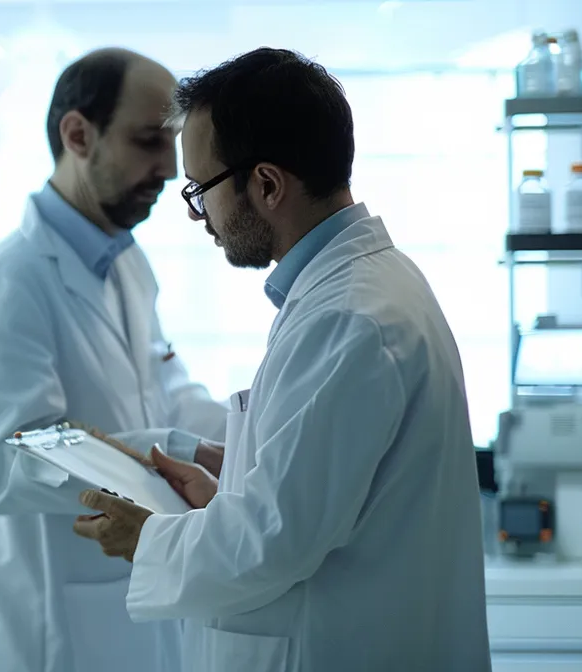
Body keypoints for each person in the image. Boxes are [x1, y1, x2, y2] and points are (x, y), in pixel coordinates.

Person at [72, 48, 490, 671]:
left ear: (266, 184)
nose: (198, 216)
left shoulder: (346, 318)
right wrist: (223, 498)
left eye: (200, 190)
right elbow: (314, 505)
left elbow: (273, 541)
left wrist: (148, 537)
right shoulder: (360, 292)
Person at [0, 48, 230, 672]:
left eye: (173, 144)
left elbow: (169, 389)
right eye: (149, 140)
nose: (169, 168)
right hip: (49, 627)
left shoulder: (128, 264)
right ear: (78, 134)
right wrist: (170, 448)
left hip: (131, 606)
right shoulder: (11, 280)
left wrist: (263, 426)